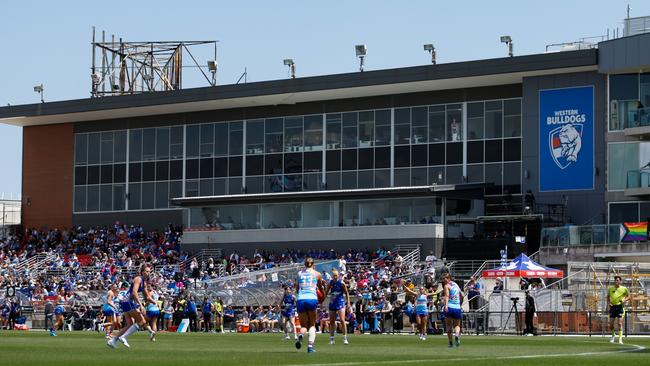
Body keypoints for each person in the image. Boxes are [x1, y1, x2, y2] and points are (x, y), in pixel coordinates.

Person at [107, 263, 156, 349]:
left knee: (129, 324)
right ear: (142, 271)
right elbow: (134, 292)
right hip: (128, 301)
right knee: (142, 322)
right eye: (146, 271)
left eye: (149, 271)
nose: (148, 273)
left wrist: (154, 302)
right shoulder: (138, 279)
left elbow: (147, 296)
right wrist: (141, 305)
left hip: (127, 302)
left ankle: (113, 340)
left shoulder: (143, 282)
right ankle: (123, 337)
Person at [294, 257, 324, 353]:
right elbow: (320, 289)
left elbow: (297, 288)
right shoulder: (317, 274)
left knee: (303, 325)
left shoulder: (299, 274)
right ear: (313, 264)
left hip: (300, 299)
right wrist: (322, 296)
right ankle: (310, 347)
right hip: (311, 298)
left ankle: (301, 335)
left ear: (305, 264)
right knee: (312, 324)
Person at [324, 268, 350, 345]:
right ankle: (332, 339)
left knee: (342, 320)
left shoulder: (342, 283)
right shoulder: (330, 283)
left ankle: (345, 338)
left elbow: (347, 293)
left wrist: (348, 302)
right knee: (332, 322)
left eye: (336, 275)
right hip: (332, 303)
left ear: (338, 276)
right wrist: (322, 301)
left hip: (340, 302)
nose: (335, 277)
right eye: (333, 275)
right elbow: (326, 293)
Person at [442, 274, 463, 348]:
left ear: (448, 278)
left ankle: (450, 343)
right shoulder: (456, 285)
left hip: (450, 307)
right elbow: (462, 295)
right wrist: (460, 304)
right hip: (457, 307)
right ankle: (457, 335)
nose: (443, 280)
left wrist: (446, 305)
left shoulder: (446, 286)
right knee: (457, 326)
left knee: (448, 326)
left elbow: (447, 296)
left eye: (444, 278)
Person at [608, 275, 629, 344]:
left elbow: (629, 296)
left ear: (620, 281)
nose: (616, 281)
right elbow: (608, 297)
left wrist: (624, 300)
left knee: (619, 324)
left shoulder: (624, 289)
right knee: (611, 324)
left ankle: (620, 339)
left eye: (618, 280)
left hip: (620, 307)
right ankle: (613, 335)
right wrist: (609, 303)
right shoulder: (610, 289)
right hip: (613, 307)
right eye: (615, 280)